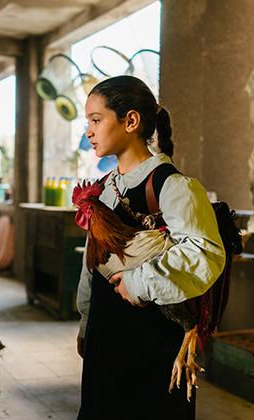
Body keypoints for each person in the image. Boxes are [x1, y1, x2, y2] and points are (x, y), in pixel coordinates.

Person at [76, 76, 225, 420]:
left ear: (130, 121)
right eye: (89, 122)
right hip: (106, 331)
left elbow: (205, 252)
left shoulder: (173, 187)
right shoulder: (105, 188)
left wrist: (138, 283)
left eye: (96, 120)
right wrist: (87, 323)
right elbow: (92, 262)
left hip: (152, 336)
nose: (89, 131)